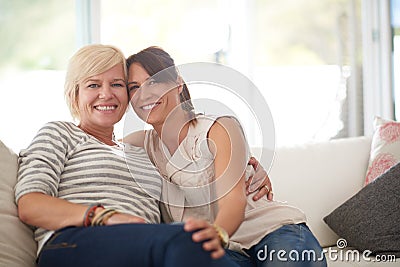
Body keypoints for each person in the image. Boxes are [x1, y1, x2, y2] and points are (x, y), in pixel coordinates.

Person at [14, 44, 240, 267]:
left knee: (196, 243)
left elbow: (193, 168)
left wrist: (244, 163)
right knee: (188, 240)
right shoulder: (60, 133)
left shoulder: (140, 150)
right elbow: (30, 204)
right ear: (75, 95)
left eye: (117, 84)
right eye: (93, 85)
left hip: (144, 246)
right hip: (74, 243)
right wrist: (104, 216)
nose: (106, 94)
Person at [123, 46, 327, 267]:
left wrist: (217, 236)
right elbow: (96, 145)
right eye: (134, 87)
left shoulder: (219, 128)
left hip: (271, 232)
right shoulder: (139, 144)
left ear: (178, 83)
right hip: (226, 250)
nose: (144, 93)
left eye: (154, 81)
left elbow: (233, 202)